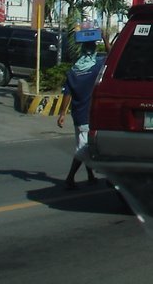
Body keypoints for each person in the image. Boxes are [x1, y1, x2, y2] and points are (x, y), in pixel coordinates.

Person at [57, 32, 110, 189]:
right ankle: (70, 178)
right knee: (83, 149)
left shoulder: (73, 71)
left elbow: (67, 94)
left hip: (77, 115)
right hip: (89, 115)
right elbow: (112, 55)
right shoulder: (95, 68)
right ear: (94, 51)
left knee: (83, 143)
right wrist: (106, 39)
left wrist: (61, 114)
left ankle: (90, 175)